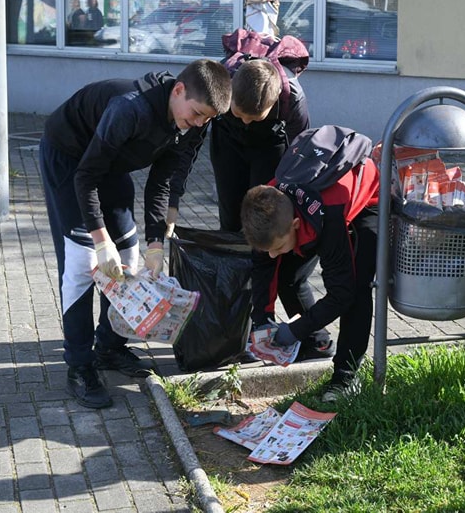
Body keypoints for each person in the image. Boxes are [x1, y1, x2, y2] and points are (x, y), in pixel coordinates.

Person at [39, 59, 231, 409]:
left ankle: (110, 347)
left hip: (110, 162)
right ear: (178, 90)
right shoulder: (130, 109)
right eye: (197, 113)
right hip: (70, 159)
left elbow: (161, 183)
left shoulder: (193, 122)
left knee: (129, 252)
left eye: (207, 119)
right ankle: (80, 365)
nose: (200, 124)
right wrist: (100, 240)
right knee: (83, 263)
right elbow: (85, 177)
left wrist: (156, 242)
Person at [208, 60, 332, 360]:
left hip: (272, 148)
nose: (248, 122)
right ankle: (240, 329)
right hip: (227, 143)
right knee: (234, 229)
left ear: (274, 103)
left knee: (266, 232)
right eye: (240, 114)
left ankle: (285, 328)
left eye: (255, 117)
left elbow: (302, 162)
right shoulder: (223, 83)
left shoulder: (293, 102)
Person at [239, 150, 380, 402]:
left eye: (279, 247)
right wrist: (262, 318)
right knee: (287, 276)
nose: (273, 255)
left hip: (366, 201)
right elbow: (263, 266)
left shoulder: (330, 220)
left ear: (294, 225)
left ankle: (345, 378)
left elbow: (341, 294)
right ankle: (317, 343)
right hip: (312, 211)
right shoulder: (268, 208)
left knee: (358, 287)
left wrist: (294, 329)